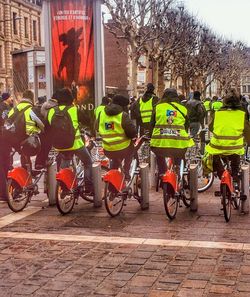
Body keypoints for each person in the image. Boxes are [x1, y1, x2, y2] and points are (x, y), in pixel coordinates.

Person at [47, 88, 94, 193]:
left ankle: (64, 187)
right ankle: (89, 187)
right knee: (88, 162)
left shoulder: (51, 111)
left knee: (65, 162)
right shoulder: (74, 109)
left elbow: (48, 127)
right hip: (75, 143)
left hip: (59, 144)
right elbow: (87, 120)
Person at [205, 89, 250, 186]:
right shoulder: (241, 115)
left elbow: (210, 127)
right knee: (235, 160)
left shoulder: (217, 113)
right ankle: (235, 178)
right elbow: (247, 132)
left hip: (217, 146)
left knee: (211, 157)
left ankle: (222, 174)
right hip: (235, 147)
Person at [150, 88, 194, 175]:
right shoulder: (183, 108)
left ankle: (162, 172)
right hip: (178, 143)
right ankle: (178, 167)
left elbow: (152, 124)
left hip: (160, 143)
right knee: (179, 152)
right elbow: (186, 126)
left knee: (159, 155)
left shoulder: (157, 107)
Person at [97, 94, 137, 180]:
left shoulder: (102, 113)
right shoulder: (123, 115)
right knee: (131, 150)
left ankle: (112, 174)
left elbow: (96, 127)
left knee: (115, 158)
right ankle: (126, 173)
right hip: (123, 149)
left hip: (107, 149)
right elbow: (132, 132)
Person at [7, 90, 44, 169]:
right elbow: (36, 126)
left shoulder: (14, 108)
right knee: (27, 152)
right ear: (32, 98)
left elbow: (8, 122)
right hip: (24, 138)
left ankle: (21, 171)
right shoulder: (31, 110)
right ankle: (27, 173)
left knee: (22, 154)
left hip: (12, 138)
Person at [0, 92, 13, 201]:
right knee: (5, 165)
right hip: (6, 138)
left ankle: (4, 193)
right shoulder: (8, 108)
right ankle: (5, 193)